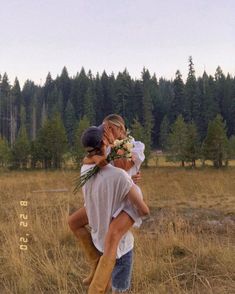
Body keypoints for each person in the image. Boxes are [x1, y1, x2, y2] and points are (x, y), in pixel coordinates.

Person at [68, 115, 147, 292]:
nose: (107, 132)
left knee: (112, 239)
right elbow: (91, 158)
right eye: (104, 129)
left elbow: (123, 167)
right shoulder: (106, 144)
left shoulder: (131, 144)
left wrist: (111, 146)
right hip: (109, 192)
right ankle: (96, 263)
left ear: (121, 129)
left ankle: (98, 286)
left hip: (124, 196)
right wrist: (96, 158)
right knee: (73, 222)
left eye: (110, 128)